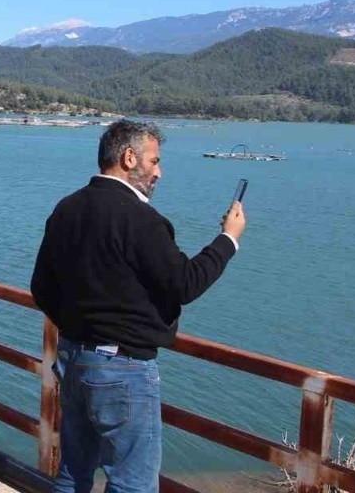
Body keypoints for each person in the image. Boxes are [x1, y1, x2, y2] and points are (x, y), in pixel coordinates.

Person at [30, 119, 246, 492]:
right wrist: (228, 239)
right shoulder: (142, 219)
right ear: (129, 158)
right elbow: (185, 283)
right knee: (133, 482)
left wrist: (80, 327)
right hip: (123, 368)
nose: (159, 172)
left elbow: (41, 287)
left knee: (73, 472)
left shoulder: (67, 208)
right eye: (155, 161)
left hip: (73, 359)